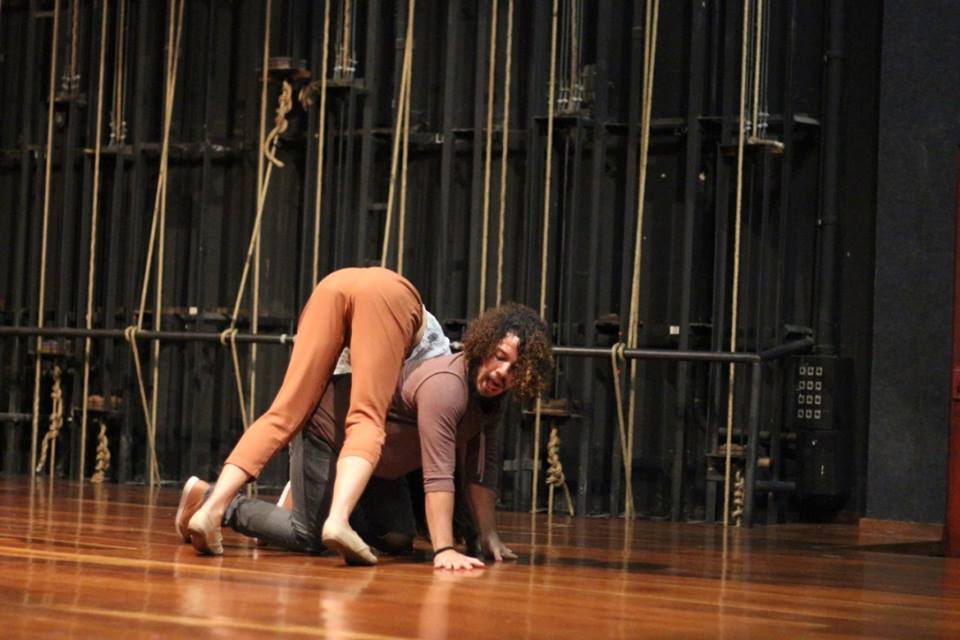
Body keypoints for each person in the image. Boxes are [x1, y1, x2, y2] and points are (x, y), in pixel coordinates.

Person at [178, 303, 553, 570]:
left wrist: (488, 534)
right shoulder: (447, 386)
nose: (502, 372)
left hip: (378, 467)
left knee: (396, 540)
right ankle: (213, 502)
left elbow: (481, 467)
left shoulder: (491, 402)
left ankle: (310, 501)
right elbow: (438, 473)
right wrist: (444, 551)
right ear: (483, 346)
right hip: (329, 433)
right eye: (499, 356)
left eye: (515, 368)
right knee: (307, 537)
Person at [186, 267, 427, 564]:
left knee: (282, 413)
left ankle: (211, 509)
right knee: (366, 417)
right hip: (391, 296)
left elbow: (325, 393)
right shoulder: (434, 356)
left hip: (333, 284)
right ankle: (338, 519)